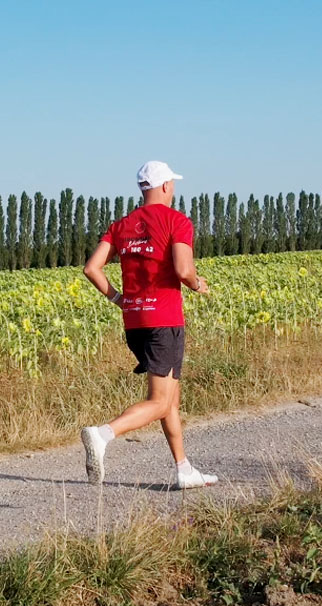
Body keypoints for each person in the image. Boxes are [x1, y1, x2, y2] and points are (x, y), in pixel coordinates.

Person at [80, 160, 218, 489]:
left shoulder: (122, 225)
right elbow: (184, 271)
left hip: (135, 322)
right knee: (159, 402)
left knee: (170, 398)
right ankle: (102, 435)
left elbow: (92, 269)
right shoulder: (177, 221)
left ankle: (183, 469)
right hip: (165, 321)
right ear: (167, 186)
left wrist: (117, 298)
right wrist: (199, 284)